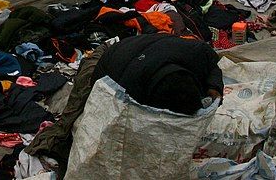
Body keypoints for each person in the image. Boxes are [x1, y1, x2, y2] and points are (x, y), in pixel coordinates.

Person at [26, 34, 223, 165]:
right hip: (103, 61)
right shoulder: (125, 88)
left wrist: (214, 87)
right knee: (76, 121)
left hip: (144, 49)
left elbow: (213, 64)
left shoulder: (198, 53)